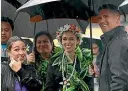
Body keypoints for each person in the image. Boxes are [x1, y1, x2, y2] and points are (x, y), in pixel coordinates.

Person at [45, 24, 93, 91]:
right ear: (60, 41)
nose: (67, 42)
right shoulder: (53, 61)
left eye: (71, 39)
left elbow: (90, 87)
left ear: (78, 41)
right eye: (64, 39)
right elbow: (49, 87)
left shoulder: (84, 62)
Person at [97, 4, 128, 91]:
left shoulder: (118, 43)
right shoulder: (112, 41)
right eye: (99, 18)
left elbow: (120, 82)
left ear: (117, 17)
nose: (102, 21)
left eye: (106, 16)